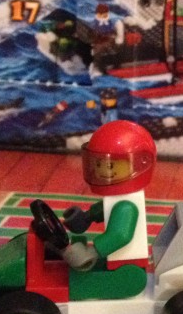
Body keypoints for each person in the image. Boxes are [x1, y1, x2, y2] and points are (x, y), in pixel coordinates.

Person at [61, 121, 158, 300]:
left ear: (141, 163)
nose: (102, 171)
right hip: (113, 258)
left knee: (79, 283)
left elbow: (119, 235)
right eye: (98, 165)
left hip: (126, 268)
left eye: (111, 166)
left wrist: (92, 252)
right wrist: (87, 217)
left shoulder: (127, 206)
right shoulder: (119, 199)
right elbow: (106, 209)